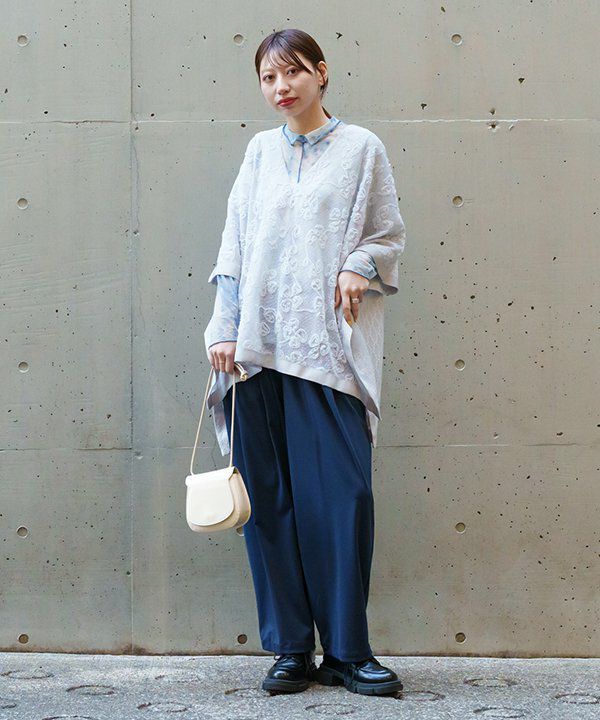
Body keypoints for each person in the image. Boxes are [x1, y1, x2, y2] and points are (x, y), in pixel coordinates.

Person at [203, 29, 406, 697]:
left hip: (325, 352)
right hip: (255, 353)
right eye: (268, 78)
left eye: (291, 72)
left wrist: (357, 265)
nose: (280, 87)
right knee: (269, 503)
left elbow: (386, 234)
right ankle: (291, 648)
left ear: (321, 72)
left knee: (344, 500)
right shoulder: (259, 153)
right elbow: (234, 244)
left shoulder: (361, 149)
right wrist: (223, 327)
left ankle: (347, 652)